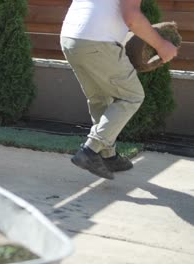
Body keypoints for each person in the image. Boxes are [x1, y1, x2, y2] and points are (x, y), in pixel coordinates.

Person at [60, 0, 178, 180]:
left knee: (100, 98)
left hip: (71, 38)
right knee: (131, 96)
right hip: (97, 41)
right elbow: (132, 17)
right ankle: (91, 150)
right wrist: (161, 45)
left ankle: (108, 156)